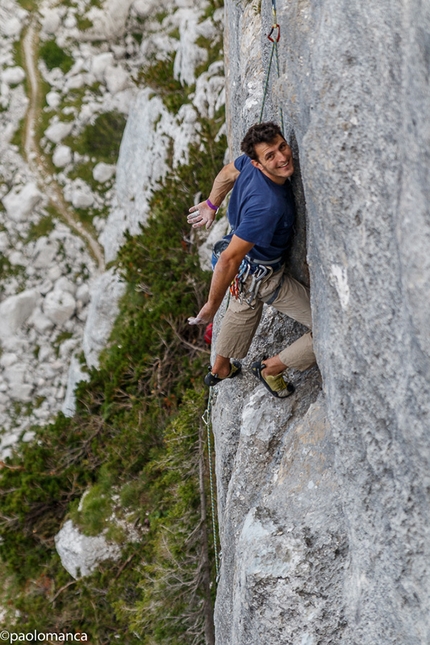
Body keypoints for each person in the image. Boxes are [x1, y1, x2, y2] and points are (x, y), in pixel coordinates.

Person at [187, 122, 315, 398]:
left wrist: (211, 205)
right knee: (326, 326)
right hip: (262, 275)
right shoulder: (268, 206)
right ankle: (272, 368)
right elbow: (228, 261)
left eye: (282, 146)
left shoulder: (248, 162)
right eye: (270, 156)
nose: (282, 157)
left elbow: (227, 172)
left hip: (245, 270)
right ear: (257, 163)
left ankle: (220, 367)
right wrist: (211, 306)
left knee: (243, 304)